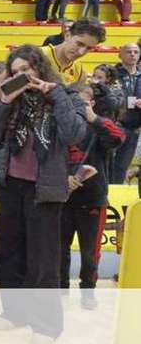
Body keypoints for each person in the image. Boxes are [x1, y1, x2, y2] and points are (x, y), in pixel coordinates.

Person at [0, 45, 87, 343]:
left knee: (43, 261)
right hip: (10, 185)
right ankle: (15, 313)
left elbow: (75, 134)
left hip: (45, 189)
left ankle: (45, 326)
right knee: (7, 254)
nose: (21, 76)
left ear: (39, 68)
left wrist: (55, 95)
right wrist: (4, 102)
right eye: (15, 72)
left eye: (26, 70)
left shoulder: (65, 96)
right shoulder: (11, 99)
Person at [61, 83, 125, 310]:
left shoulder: (99, 128)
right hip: (61, 200)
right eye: (72, 103)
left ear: (92, 103)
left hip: (93, 200)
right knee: (59, 250)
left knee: (90, 253)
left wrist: (94, 119)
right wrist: (63, 178)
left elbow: (119, 138)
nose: (77, 107)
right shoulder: (59, 126)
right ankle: (61, 290)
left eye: (83, 102)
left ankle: (88, 291)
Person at [37, 18, 106, 85]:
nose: (81, 52)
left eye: (89, 48)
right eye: (79, 44)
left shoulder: (80, 72)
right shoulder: (38, 56)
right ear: (67, 35)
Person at [111, 42, 141, 183]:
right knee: (108, 164)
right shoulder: (112, 74)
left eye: (136, 52)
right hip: (114, 126)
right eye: (129, 51)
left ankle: (115, 192)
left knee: (122, 167)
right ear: (120, 55)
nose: (133, 54)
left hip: (135, 128)